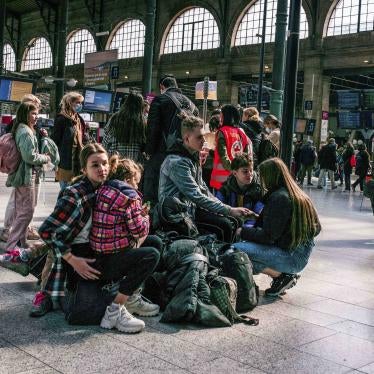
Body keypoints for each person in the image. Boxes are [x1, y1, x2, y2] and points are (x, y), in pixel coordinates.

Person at [29, 143, 109, 317]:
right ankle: (44, 296)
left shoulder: (105, 189)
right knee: (54, 257)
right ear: (84, 169)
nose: (102, 168)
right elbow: (47, 231)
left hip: (87, 246)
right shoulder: (74, 194)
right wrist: (72, 259)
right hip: (68, 248)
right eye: (95, 165)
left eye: (104, 163)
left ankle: (32, 256)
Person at [158, 113, 255, 243]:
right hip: (178, 215)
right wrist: (229, 210)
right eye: (199, 137)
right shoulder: (177, 162)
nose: (204, 141)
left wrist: (225, 209)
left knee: (233, 221)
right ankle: (222, 258)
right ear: (186, 139)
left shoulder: (192, 155)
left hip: (190, 208)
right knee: (225, 225)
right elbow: (196, 195)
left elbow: (203, 188)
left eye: (204, 136)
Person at [90, 156, 160, 332]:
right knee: (153, 254)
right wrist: (145, 216)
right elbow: (139, 231)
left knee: (156, 242)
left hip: (98, 257)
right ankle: (115, 309)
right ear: (128, 180)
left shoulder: (104, 189)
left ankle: (132, 297)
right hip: (111, 263)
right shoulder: (129, 196)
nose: (137, 187)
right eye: (136, 182)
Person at [233, 157, 321, 297]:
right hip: (301, 254)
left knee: (236, 250)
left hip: (291, 257)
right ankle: (281, 276)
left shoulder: (279, 198)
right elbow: (317, 228)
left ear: (269, 177)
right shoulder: (297, 193)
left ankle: (281, 276)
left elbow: (268, 237)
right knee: (249, 250)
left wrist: (242, 231)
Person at [144, 74, 199, 206]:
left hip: (163, 155)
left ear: (162, 87)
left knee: (154, 192)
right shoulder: (193, 106)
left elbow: (153, 129)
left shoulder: (160, 100)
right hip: (187, 157)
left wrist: (149, 151)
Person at [5, 102, 51, 251]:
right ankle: (11, 247)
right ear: (25, 114)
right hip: (26, 176)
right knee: (26, 212)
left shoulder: (22, 128)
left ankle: (22, 242)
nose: (36, 117)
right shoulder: (25, 131)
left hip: (24, 175)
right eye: (33, 113)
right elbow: (29, 157)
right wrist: (45, 158)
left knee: (23, 210)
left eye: (37, 113)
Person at [0, 94, 44, 242]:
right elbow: (27, 154)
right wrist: (45, 158)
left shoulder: (30, 124)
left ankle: (23, 232)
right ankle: (9, 232)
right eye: (33, 108)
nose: (36, 112)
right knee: (21, 205)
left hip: (30, 170)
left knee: (28, 204)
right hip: (23, 171)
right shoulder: (20, 126)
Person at [51, 92, 89, 190]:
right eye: (77, 102)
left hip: (78, 163)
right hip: (65, 163)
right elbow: (54, 141)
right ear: (69, 103)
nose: (80, 105)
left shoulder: (79, 119)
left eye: (81, 103)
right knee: (65, 192)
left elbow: (83, 139)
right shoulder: (61, 119)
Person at [210, 104, 252, 190]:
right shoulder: (240, 132)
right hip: (237, 177)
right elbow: (246, 153)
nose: (220, 117)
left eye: (221, 114)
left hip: (221, 179)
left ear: (225, 116)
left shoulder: (222, 132)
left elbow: (223, 155)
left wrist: (232, 171)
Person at [216, 154, 263, 228]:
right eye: (245, 172)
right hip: (231, 225)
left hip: (251, 227)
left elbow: (258, 214)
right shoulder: (225, 189)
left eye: (251, 170)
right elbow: (218, 210)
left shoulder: (258, 190)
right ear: (235, 173)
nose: (250, 174)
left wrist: (245, 229)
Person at [102, 93, 146, 163]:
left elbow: (105, 142)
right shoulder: (143, 122)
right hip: (134, 164)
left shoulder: (114, 118)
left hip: (115, 162)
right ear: (141, 106)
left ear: (126, 103)